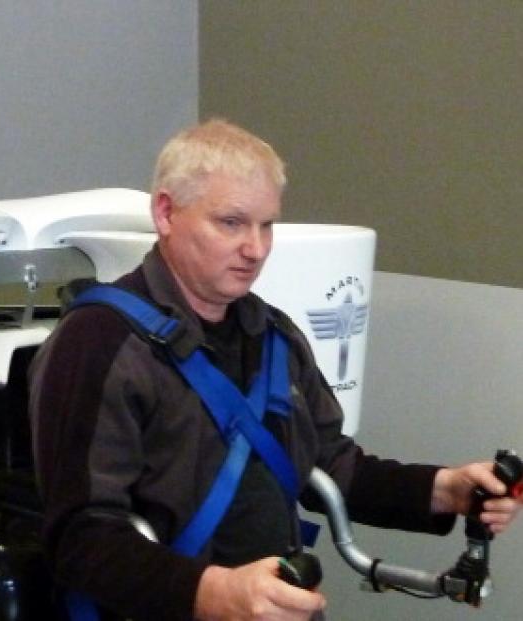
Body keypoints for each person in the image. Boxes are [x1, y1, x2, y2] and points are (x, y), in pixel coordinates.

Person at [28, 118, 521, 621]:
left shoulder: (273, 335)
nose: (256, 248)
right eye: (232, 223)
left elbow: (331, 465)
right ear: (166, 212)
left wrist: (445, 490)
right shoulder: (98, 343)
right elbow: (80, 538)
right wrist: (219, 593)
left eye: (267, 225)